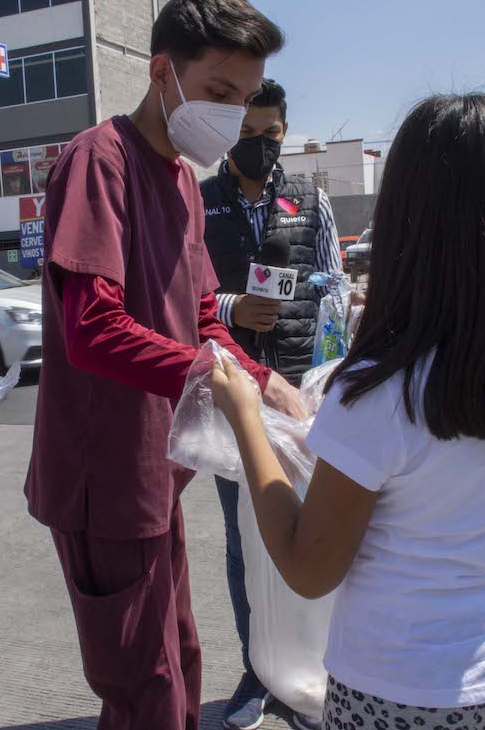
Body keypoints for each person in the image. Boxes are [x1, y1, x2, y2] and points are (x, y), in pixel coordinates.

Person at [209, 93, 485, 730]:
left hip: (395, 688)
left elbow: (308, 566)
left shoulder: (382, 390)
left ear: (410, 213)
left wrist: (246, 418)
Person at [23, 0, 303, 730]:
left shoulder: (180, 177)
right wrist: (216, 378)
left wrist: (261, 378)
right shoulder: (99, 161)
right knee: (144, 689)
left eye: (241, 98)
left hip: (155, 470)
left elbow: (202, 316)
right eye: (217, 89)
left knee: (179, 665)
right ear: (160, 71)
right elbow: (91, 327)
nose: (230, 114)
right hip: (103, 478)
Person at [199, 78, 343, 730]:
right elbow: (187, 295)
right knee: (244, 537)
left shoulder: (311, 197)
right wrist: (233, 306)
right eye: (246, 133)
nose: (259, 146)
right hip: (233, 391)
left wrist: (331, 365)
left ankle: (309, 667)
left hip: (301, 391)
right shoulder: (196, 203)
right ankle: (257, 669)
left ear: (285, 131)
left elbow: (334, 280)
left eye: (270, 134)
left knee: (312, 531)